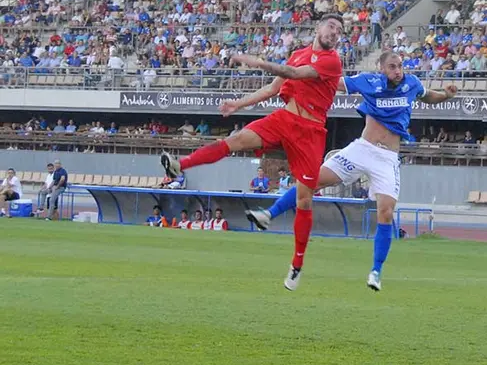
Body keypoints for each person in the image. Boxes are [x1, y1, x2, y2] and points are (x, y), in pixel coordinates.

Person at [246, 50, 457, 292]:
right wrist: (298, 75)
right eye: (392, 66)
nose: (397, 71)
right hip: (362, 149)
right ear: (381, 68)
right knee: (312, 182)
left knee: (386, 212)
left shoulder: (411, 83)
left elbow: (427, 96)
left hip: (387, 158)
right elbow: (332, 82)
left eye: (399, 66)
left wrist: (445, 96)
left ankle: (376, 272)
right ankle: (269, 214)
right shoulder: (368, 81)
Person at [160, 17, 344, 291]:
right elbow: (272, 89)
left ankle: (296, 265)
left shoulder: (332, 62)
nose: (335, 33)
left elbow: (294, 75)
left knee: (304, 201)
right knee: (236, 139)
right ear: (318, 28)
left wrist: (258, 62)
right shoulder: (298, 54)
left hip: (311, 132)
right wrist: (238, 104)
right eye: (331, 26)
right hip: (284, 119)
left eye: (340, 31)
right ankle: (179, 165)